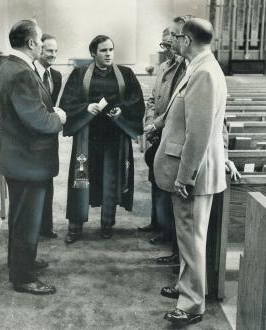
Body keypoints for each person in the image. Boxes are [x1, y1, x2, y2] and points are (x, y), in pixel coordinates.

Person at [153, 18, 229, 325]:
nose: (173, 43)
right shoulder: (199, 67)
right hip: (190, 171)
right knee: (187, 239)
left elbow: (198, 133)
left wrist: (184, 176)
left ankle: (192, 305)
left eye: (176, 38)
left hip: (194, 176)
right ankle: (187, 288)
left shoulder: (205, 73)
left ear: (187, 40)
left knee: (193, 240)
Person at [0, 19, 66, 294]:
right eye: (39, 41)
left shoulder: (10, 67)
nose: (42, 44)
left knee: (21, 218)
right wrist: (57, 117)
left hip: (18, 158)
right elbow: (37, 120)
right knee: (27, 220)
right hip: (27, 160)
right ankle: (23, 277)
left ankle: (22, 263)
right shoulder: (22, 72)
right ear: (32, 43)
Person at [60, 34, 145, 244]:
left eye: (111, 50)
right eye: (103, 51)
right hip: (87, 137)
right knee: (81, 178)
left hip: (114, 136)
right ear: (93, 53)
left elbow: (136, 102)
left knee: (111, 179)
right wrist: (86, 108)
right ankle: (75, 226)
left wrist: (121, 111)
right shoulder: (79, 74)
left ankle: (107, 223)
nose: (108, 54)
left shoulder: (125, 74)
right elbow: (67, 102)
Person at [139, 18, 191, 268]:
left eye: (172, 36)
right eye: (165, 38)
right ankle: (159, 225)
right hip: (157, 132)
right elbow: (153, 98)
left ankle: (170, 238)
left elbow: (174, 108)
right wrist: (149, 120)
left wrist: (155, 124)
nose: (168, 42)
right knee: (156, 181)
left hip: (169, 134)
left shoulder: (185, 68)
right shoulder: (162, 66)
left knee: (168, 189)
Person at [34, 34, 62, 239]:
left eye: (55, 51)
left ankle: (46, 227)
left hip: (50, 138)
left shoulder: (57, 76)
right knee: (36, 183)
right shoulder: (30, 74)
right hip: (34, 139)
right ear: (39, 50)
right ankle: (35, 228)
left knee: (48, 181)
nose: (53, 54)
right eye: (49, 50)